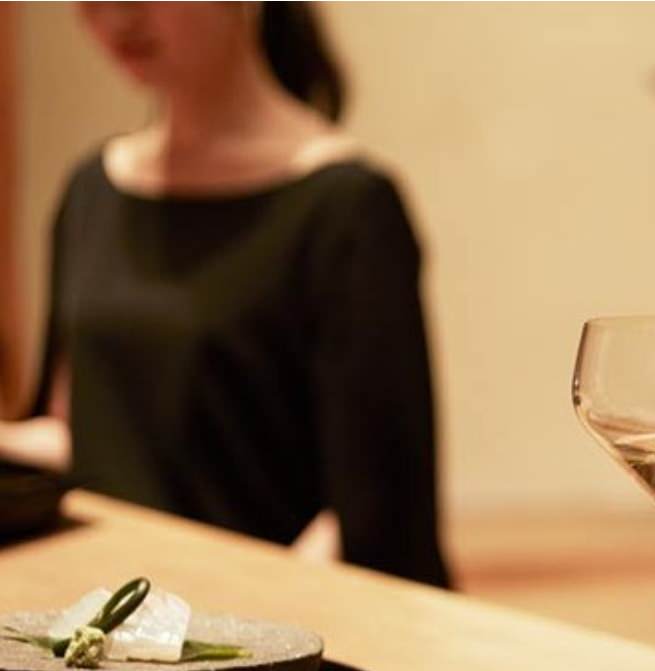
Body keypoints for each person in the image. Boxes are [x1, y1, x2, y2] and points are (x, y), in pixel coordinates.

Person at [0, 2, 450, 587]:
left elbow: (376, 516)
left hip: (266, 624)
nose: (117, 17)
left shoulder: (347, 209)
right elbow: (83, 430)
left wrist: (246, 619)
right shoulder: (92, 192)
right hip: (105, 610)